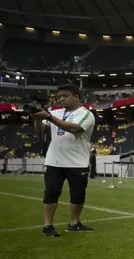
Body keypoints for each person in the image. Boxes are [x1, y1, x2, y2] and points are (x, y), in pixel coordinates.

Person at [32, 84, 96, 237]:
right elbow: (40, 129)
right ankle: (47, 226)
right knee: (51, 193)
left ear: (77, 97)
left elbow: (75, 128)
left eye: (65, 96)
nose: (61, 99)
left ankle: (74, 223)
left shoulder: (86, 114)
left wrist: (49, 117)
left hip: (77, 161)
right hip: (54, 160)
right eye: (59, 96)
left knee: (78, 194)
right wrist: (36, 118)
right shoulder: (56, 112)